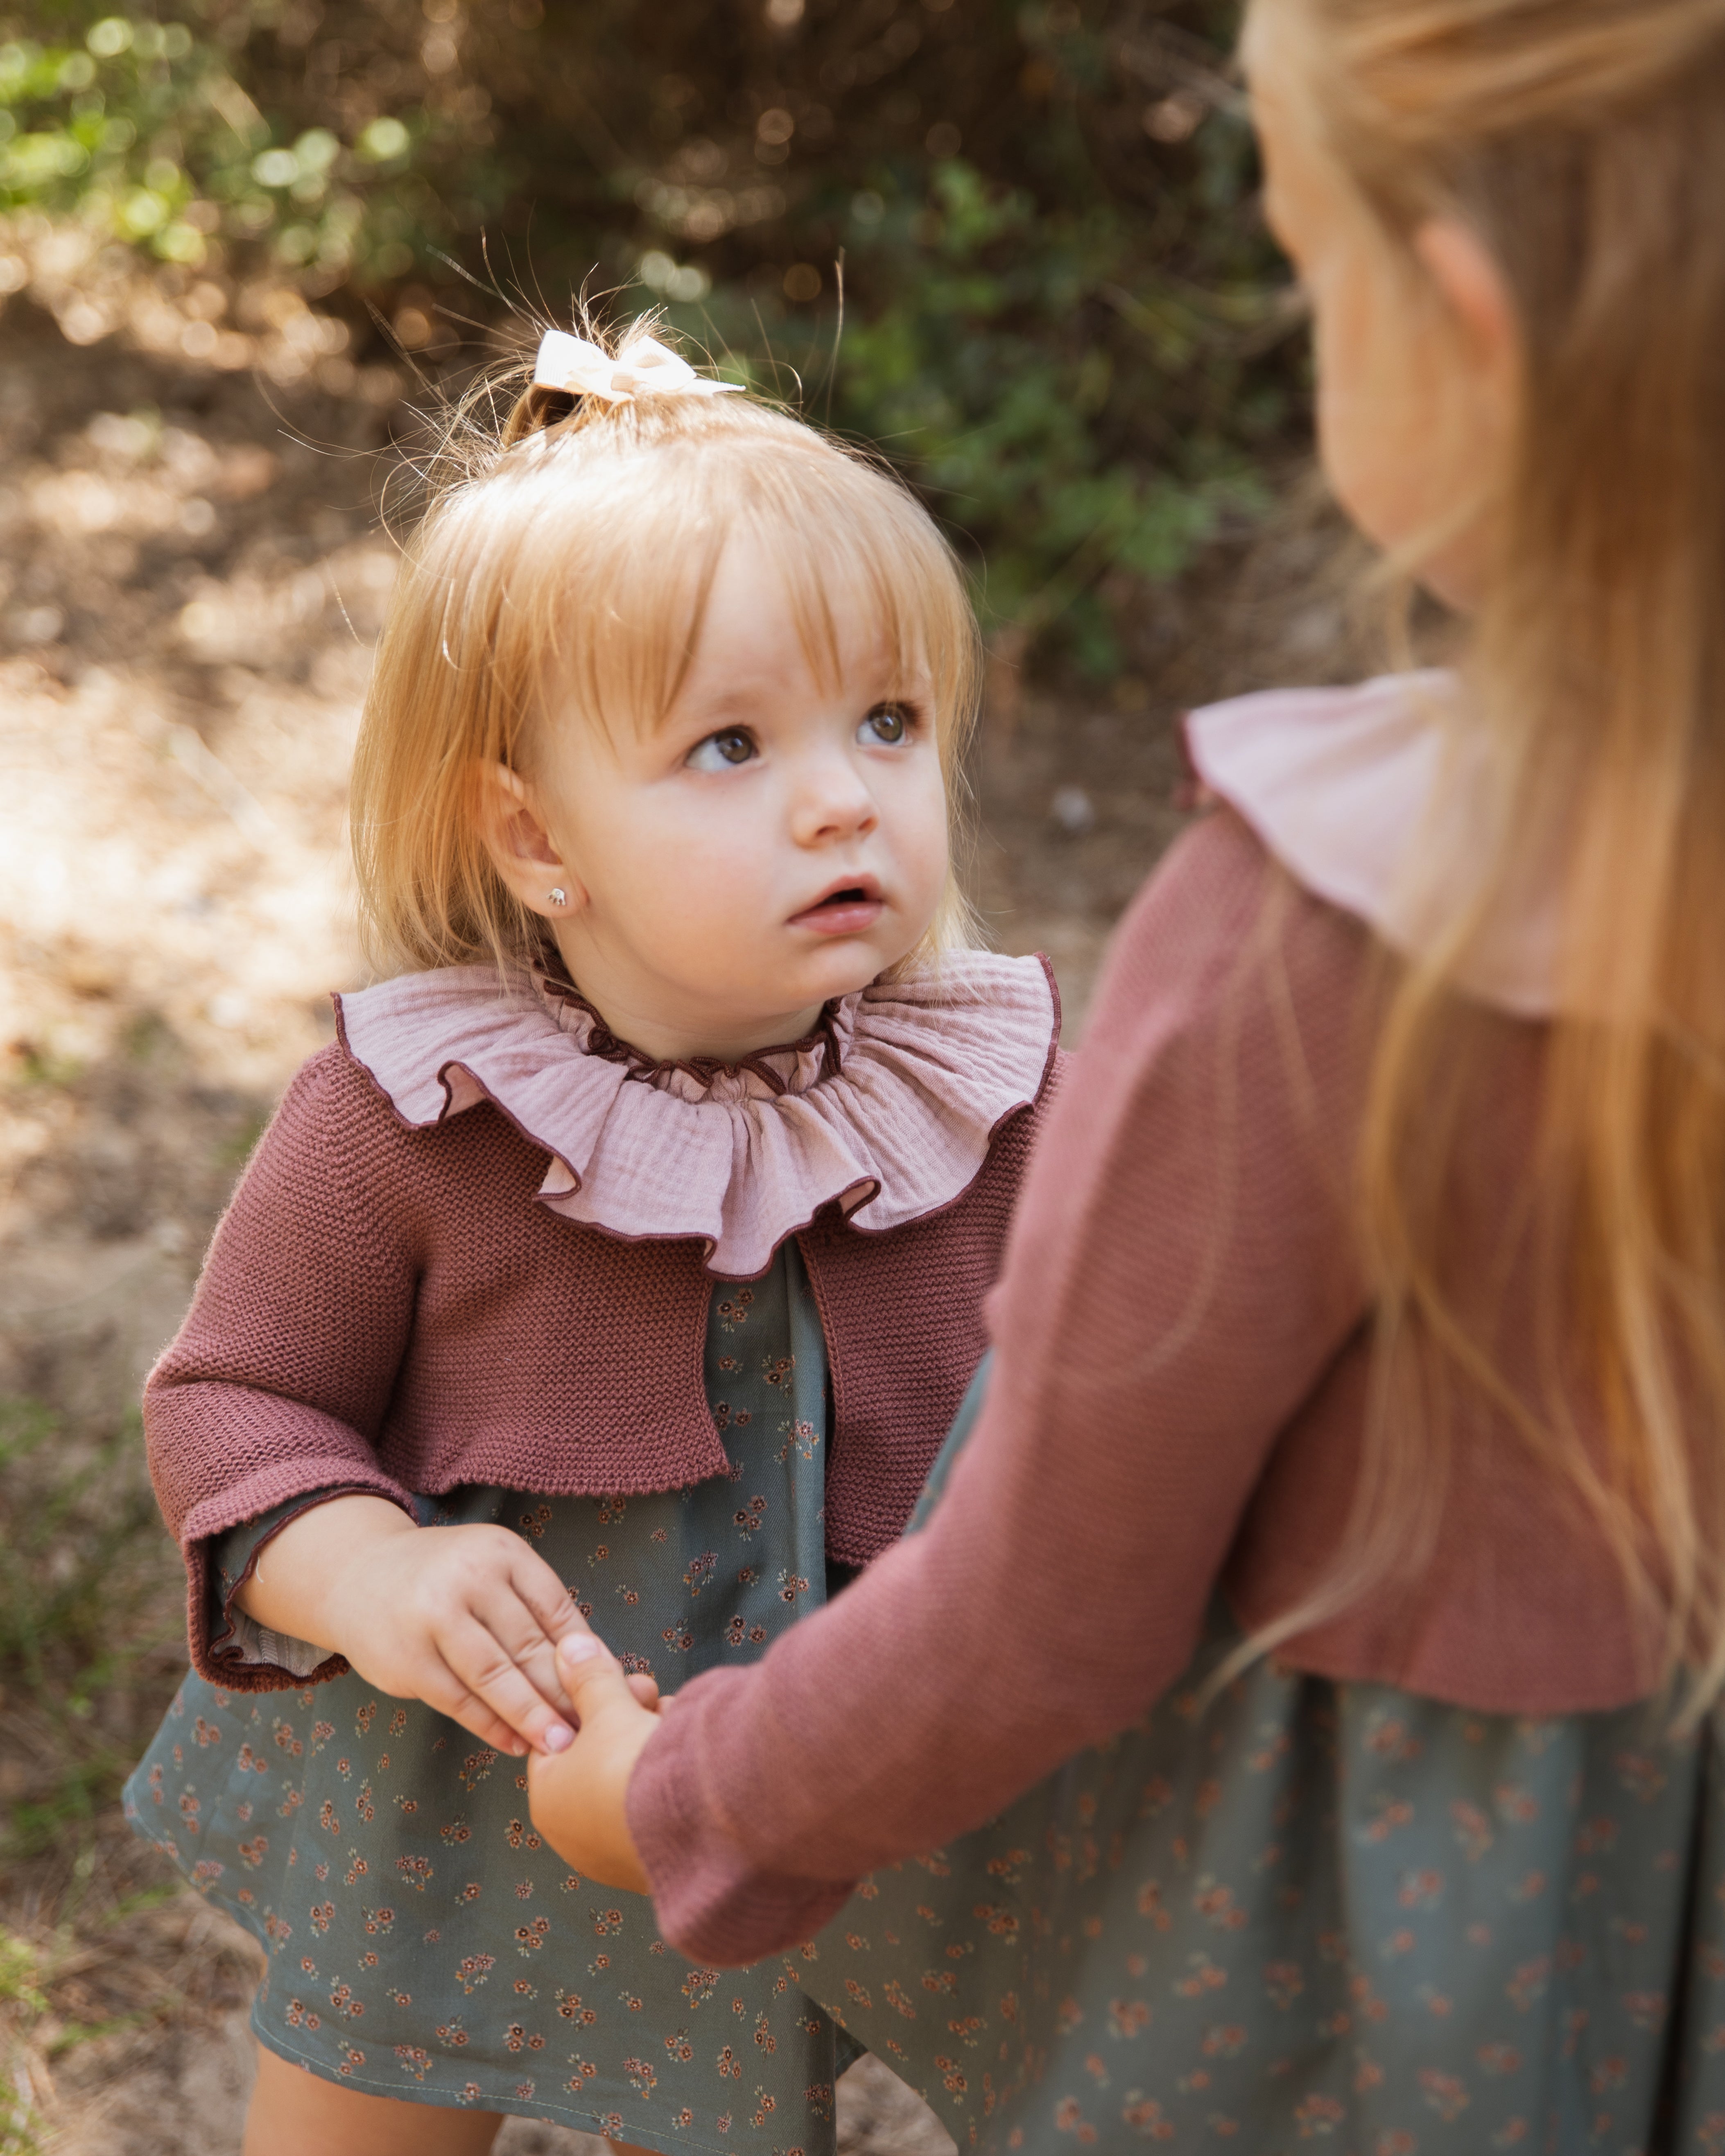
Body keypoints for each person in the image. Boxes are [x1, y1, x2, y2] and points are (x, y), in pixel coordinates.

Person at [529, 3, 1725, 2147]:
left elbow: (1044, 1610)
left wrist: (678, 1794)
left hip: (1395, 2015)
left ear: (1462, 330)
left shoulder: (1335, 936)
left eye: (1310, 273)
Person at [121, 323, 1065, 2156]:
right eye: (730, 743)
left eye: (887, 720)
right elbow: (234, 1408)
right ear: (534, 834)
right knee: (362, 2124)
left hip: (770, 1775)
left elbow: (1122, 1387)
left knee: (720, 2115)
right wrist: (369, 1574)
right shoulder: (419, 1118)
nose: (842, 795)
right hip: (449, 1783)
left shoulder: (988, 1105)